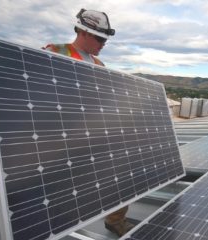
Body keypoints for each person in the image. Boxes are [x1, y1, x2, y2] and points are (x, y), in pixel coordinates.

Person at [43, 9, 134, 237]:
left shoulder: (99, 64)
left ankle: (115, 220)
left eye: (105, 39)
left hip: (91, 134)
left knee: (124, 168)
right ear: (83, 31)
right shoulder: (55, 52)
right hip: (61, 138)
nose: (103, 44)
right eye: (100, 38)